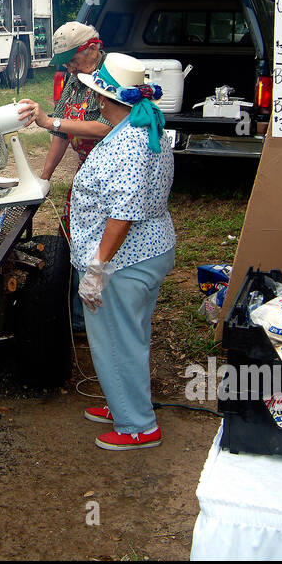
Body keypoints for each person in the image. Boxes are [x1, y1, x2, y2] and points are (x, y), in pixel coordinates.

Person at [68, 52, 175, 450]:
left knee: (116, 339)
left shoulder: (129, 140)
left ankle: (138, 426)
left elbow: (123, 214)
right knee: (132, 335)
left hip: (124, 261)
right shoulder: (144, 126)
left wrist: (97, 268)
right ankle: (123, 403)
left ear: (103, 99)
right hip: (149, 250)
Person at [17, 22, 111, 331]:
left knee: (102, 244)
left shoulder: (110, 75)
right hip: (87, 171)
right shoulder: (75, 78)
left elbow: (105, 127)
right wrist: (42, 178)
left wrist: (52, 122)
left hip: (113, 172)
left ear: (93, 49)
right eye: (66, 62)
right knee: (70, 236)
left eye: (73, 60)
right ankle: (73, 310)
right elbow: (61, 129)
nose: (70, 67)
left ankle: (91, 317)